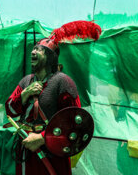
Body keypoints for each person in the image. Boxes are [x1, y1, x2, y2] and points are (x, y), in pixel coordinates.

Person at [5, 38, 81, 175]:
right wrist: (25, 93)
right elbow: (9, 109)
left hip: (51, 151)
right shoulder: (26, 81)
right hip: (25, 147)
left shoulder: (63, 82)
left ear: (51, 56)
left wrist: (42, 138)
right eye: (33, 49)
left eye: (39, 50)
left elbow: (74, 122)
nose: (33, 52)